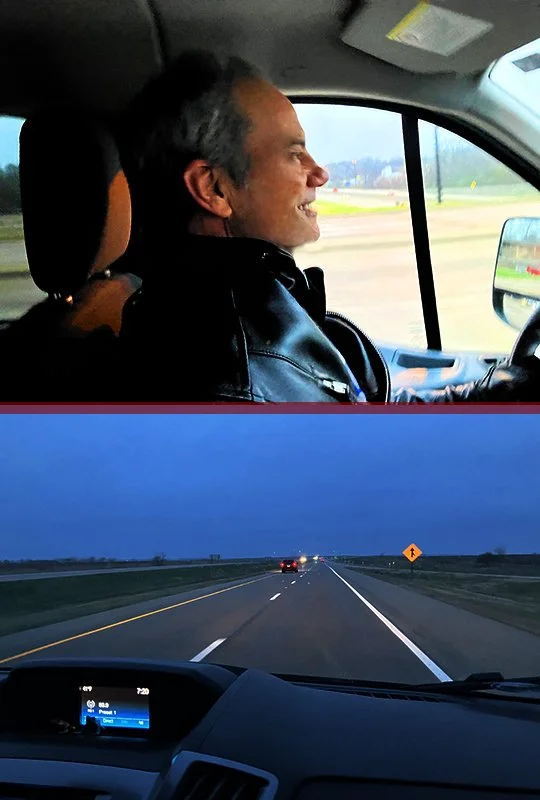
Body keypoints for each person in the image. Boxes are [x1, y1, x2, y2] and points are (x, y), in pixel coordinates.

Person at [118, 50, 540, 403]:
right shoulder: (243, 380)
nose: (319, 173)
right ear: (214, 188)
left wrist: (497, 391)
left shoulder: (250, 308)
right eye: (294, 154)